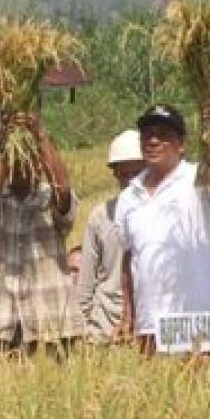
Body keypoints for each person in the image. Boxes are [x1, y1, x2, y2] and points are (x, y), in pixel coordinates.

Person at [117, 101, 210, 356]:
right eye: (147, 135)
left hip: (204, 316)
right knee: (158, 392)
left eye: (164, 136)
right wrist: (128, 312)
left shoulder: (198, 179)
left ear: (182, 145)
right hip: (151, 323)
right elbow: (129, 258)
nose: (153, 141)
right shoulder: (129, 196)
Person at [0, 112, 82, 355]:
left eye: (25, 155)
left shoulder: (49, 198)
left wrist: (39, 135)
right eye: (12, 156)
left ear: (39, 159)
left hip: (52, 324)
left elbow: (63, 193)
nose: (19, 162)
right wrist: (8, 149)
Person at [77, 129, 144, 345]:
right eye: (124, 175)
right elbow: (86, 280)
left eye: (137, 173)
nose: (130, 181)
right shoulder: (100, 216)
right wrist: (82, 328)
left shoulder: (163, 215)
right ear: (115, 174)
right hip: (105, 329)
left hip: (149, 326)